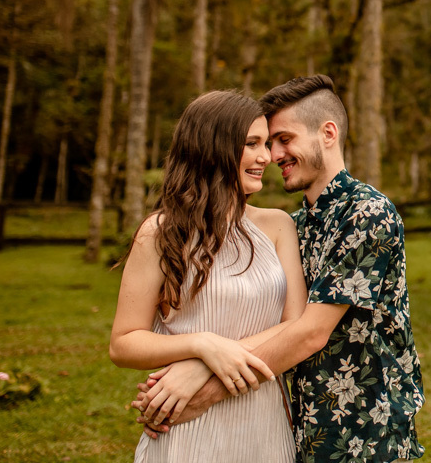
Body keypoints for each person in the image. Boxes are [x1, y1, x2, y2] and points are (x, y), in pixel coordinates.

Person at [135, 74, 424, 463]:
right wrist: (205, 354)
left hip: (363, 431)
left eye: (284, 139)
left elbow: (309, 332)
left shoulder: (366, 213)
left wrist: (203, 383)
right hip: (301, 426)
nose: (273, 155)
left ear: (328, 133)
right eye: (268, 143)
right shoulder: (297, 224)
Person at [110, 90, 307, 462]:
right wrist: (202, 345)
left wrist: (204, 365)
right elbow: (123, 344)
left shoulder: (279, 225)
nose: (266, 157)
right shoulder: (160, 233)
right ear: (213, 148)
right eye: (252, 144)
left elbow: (294, 325)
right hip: (186, 427)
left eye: (266, 144)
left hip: (261, 417)